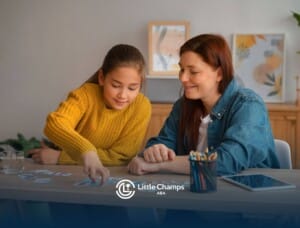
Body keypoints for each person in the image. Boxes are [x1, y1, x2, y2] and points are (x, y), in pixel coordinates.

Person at [128, 34, 280, 176]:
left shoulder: (248, 105)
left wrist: (160, 165)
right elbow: (163, 143)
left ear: (219, 74)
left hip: (251, 197)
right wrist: (154, 151)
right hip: (199, 194)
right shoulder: (183, 106)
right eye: (181, 69)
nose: (183, 78)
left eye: (193, 72)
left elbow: (226, 162)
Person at [29, 44, 151, 183]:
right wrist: (86, 152)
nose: (123, 95)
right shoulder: (85, 95)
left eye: (132, 88)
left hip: (114, 178)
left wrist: (60, 157)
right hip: (67, 176)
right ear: (101, 78)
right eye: (116, 86)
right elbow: (54, 124)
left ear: (140, 85)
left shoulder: (142, 106)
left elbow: (122, 157)